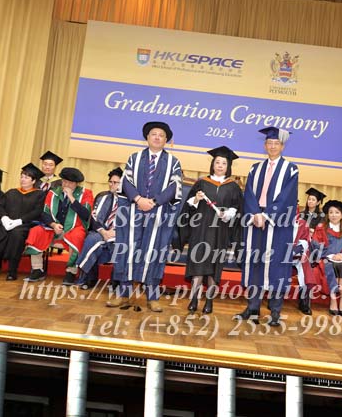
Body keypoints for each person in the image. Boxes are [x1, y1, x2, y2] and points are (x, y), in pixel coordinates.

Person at [107, 121, 183, 312]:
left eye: (161, 135)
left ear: (166, 140)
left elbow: (174, 187)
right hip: (133, 211)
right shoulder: (135, 158)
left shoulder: (173, 162)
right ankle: (123, 294)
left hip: (158, 213)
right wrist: (139, 199)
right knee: (129, 251)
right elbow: (126, 183)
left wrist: (154, 202)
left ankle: (153, 297)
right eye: (153, 134)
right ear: (147, 138)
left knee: (154, 252)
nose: (157, 137)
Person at [235, 127, 299, 326]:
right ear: (264, 146)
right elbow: (249, 194)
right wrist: (255, 214)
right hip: (255, 221)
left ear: (282, 146)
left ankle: (275, 311)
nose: (272, 146)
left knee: (277, 265)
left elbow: (287, 197)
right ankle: (252, 308)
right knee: (255, 263)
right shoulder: (255, 168)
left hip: (278, 223)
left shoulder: (290, 169)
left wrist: (267, 215)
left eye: (276, 143)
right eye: (269, 143)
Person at [176, 146, 242, 314]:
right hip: (201, 230)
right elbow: (188, 207)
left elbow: (237, 208)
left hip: (220, 231)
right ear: (213, 164)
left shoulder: (233, 187)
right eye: (217, 162)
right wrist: (196, 200)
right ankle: (194, 299)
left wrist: (227, 214)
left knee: (214, 266)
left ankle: (209, 300)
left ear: (228, 166)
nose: (220, 166)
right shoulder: (202, 183)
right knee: (198, 263)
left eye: (224, 163)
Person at [0, 163, 46, 280]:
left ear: (33, 181)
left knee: (16, 235)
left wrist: (19, 221)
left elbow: (37, 211)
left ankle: (12, 271)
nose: (22, 179)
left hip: (23, 225)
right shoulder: (12, 192)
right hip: (4, 222)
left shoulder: (39, 194)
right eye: (21, 176)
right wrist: (4, 217)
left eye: (26, 177)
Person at [23, 167, 94, 283]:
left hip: (74, 228)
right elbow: (44, 213)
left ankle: (71, 272)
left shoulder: (86, 193)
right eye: (64, 181)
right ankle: (37, 269)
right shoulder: (53, 192)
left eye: (70, 183)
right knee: (36, 231)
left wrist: (71, 197)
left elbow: (86, 214)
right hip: (54, 228)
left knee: (77, 236)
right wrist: (53, 224)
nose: (66, 185)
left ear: (76, 183)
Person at [75, 167, 124, 290]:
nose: (112, 185)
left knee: (122, 247)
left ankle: (116, 282)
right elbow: (93, 218)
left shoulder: (131, 202)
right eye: (110, 182)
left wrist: (116, 232)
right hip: (101, 230)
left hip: (120, 234)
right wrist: (103, 232)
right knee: (91, 239)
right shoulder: (102, 197)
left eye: (116, 182)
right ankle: (89, 279)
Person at [310, 200, 342, 317]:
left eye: (337, 212)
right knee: (331, 266)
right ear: (327, 215)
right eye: (331, 212)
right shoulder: (321, 229)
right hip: (325, 259)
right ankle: (333, 301)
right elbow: (316, 245)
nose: (333, 215)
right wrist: (331, 256)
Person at [290, 215, 314, 315]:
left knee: (304, 267)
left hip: (297, 255)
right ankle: (274, 300)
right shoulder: (278, 220)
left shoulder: (302, 223)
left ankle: (303, 300)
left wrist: (295, 250)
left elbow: (305, 240)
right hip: (278, 255)